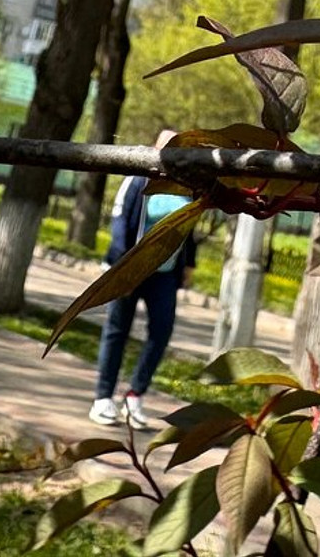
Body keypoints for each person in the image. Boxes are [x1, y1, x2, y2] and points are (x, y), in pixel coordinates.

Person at [89, 132, 194, 427]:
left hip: (164, 274)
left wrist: (189, 265)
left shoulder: (187, 184)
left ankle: (135, 395)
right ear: (155, 148)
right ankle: (103, 398)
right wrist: (125, 268)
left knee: (161, 331)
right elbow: (121, 220)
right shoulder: (138, 179)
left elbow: (190, 225)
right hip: (130, 269)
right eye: (169, 147)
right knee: (116, 330)